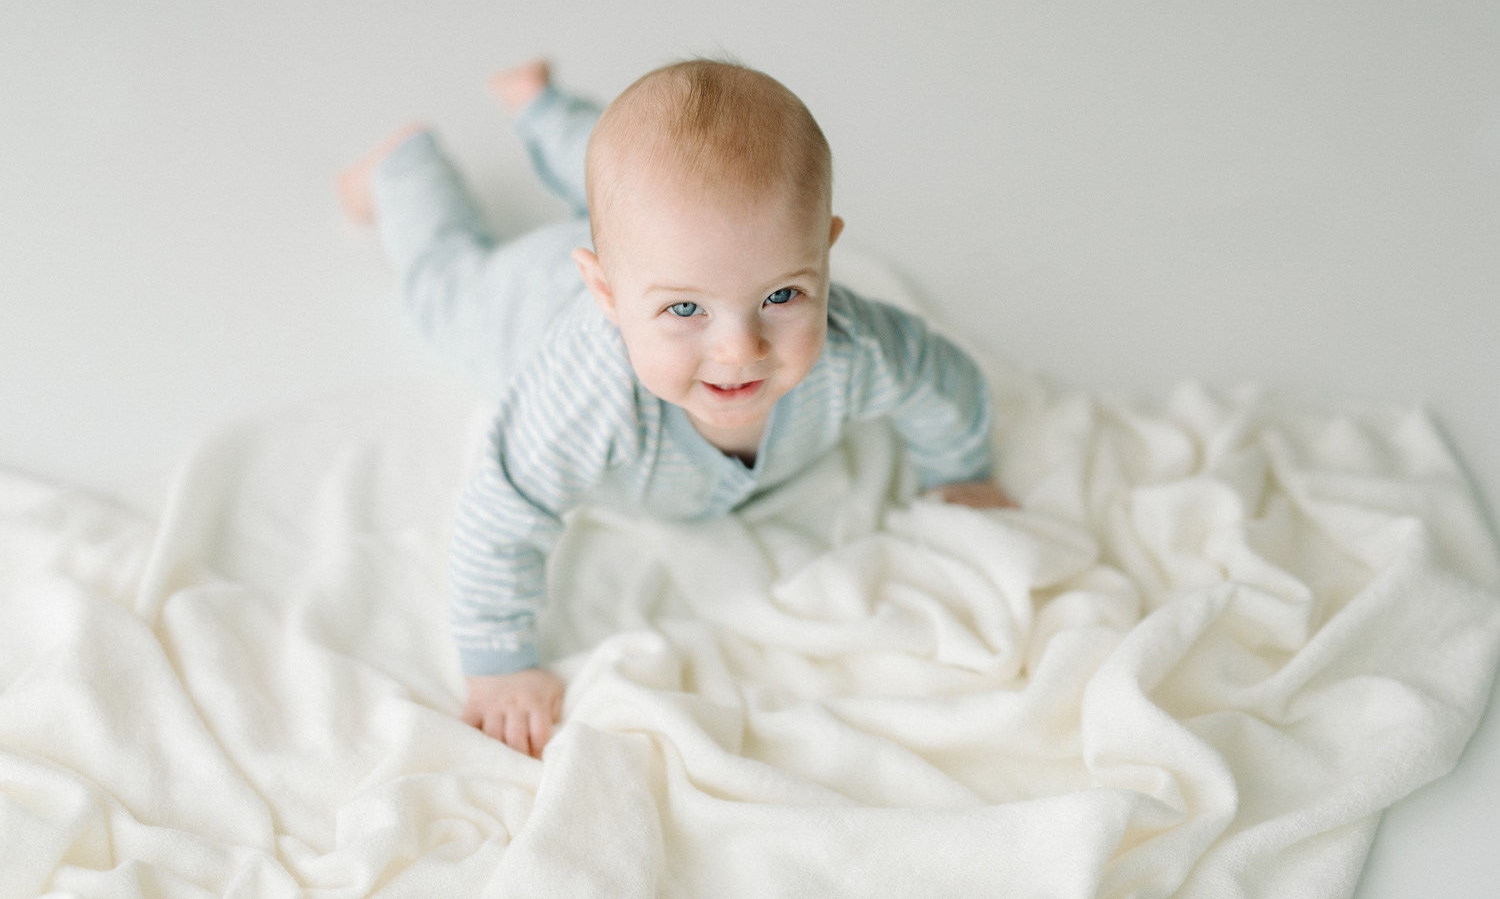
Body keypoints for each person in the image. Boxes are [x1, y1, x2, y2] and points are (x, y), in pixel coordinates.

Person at [336, 58, 1016, 760]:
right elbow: (504, 511)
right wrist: (501, 663)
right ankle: (404, 166)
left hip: (653, 247)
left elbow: (942, 379)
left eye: (782, 295)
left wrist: (958, 467)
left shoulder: (855, 347)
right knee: (443, 286)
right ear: (605, 291)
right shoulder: (584, 395)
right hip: (523, 304)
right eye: (685, 309)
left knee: (644, 191)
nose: (738, 348)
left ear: (824, 252)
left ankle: (543, 109)